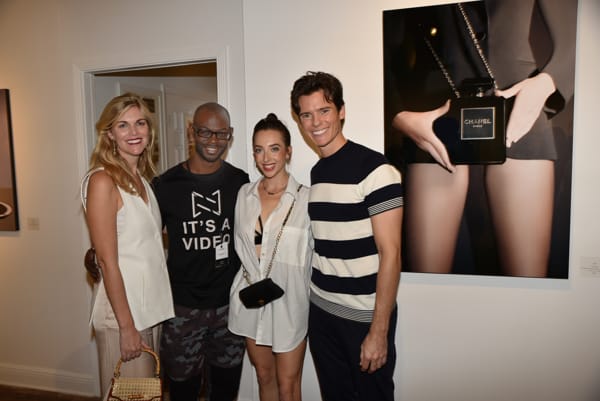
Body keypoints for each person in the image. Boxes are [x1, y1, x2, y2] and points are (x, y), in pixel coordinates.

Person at [385, 0, 577, 277]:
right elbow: (385, 48)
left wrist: (547, 83)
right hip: (432, 116)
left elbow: (577, 38)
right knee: (427, 279)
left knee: (528, 281)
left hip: (517, 107)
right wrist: (399, 115)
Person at [290, 71, 404, 401]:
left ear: (341, 111)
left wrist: (379, 330)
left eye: (324, 110)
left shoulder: (376, 170)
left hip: (364, 318)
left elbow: (391, 254)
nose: (315, 122)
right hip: (322, 313)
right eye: (306, 115)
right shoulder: (318, 172)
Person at [153, 102, 249, 401]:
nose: (213, 140)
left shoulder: (240, 182)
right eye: (205, 131)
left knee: (225, 390)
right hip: (182, 309)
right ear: (191, 131)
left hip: (229, 307)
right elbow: (145, 242)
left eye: (221, 133)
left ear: (230, 134)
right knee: (182, 390)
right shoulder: (165, 186)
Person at [80, 93, 174, 399]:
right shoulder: (102, 181)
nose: (134, 132)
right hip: (124, 313)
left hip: (149, 310)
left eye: (140, 123)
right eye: (123, 125)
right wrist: (127, 327)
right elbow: (107, 261)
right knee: (129, 396)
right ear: (109, 134)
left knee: (145, 396)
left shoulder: (142, 180)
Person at [228, 113, 312, 401]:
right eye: (259, 150)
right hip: (252, 299)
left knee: (288, 386)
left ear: (288, 152)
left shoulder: (306, 199)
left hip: (290, 303)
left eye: (274, 148)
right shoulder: (244, 194)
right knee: (264, 377)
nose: (266, 158)